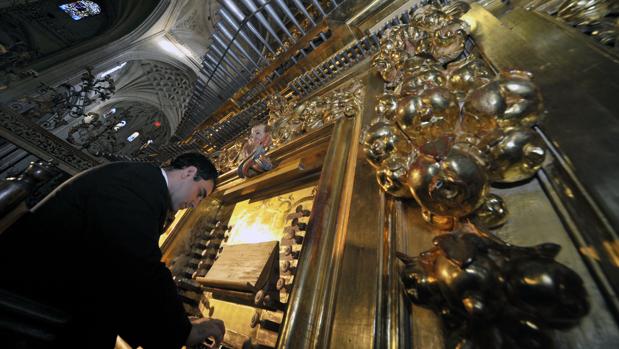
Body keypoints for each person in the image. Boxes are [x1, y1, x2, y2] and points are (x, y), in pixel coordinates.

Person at [0, 152, 225, 349]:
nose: (195, 204)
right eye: (200, 194)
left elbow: (124, 264)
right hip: (28, 287)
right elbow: (137, 265)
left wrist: (176, 325)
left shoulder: (143, 183)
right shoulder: (137, 185)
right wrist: (184, 331)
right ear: (189, 172)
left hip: (50, 277)